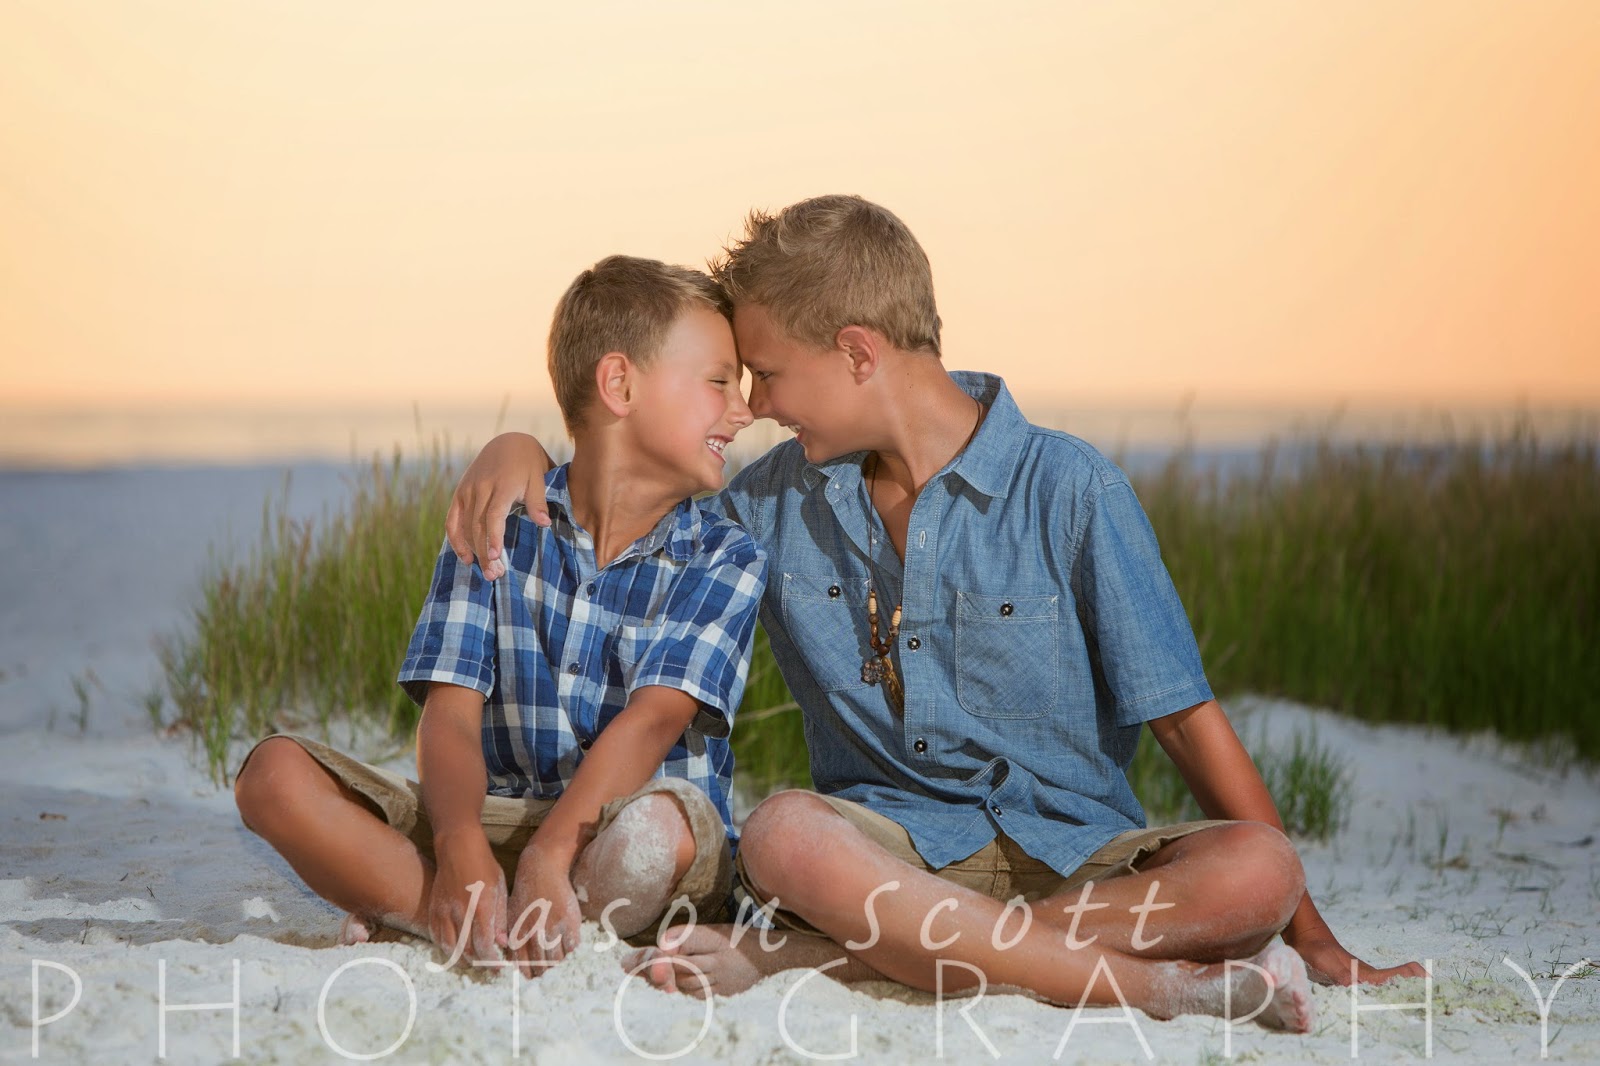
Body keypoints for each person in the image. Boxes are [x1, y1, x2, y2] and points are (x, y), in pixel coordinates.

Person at [443, 196, 1426, 1028]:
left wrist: (1316, 934)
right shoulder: (769, 505)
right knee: (785, 832)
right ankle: (1154, 989)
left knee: (1258, 868)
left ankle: (820, 960)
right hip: (885, 858)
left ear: (858, 352)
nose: (758, 406)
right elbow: (624, 503)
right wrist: (519, 449)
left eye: (771, 374)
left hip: (1082, 862)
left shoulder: (1070, 488)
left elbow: (1182, 717)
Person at [233, 255, 767, 974]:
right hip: (501, 820)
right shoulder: (498, 520)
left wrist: (552, 852)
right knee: (272, 776)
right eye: (719, 382)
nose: (743, 408)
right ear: (619, 384)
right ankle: (454, 915)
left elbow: (652, 722)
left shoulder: (725, 555)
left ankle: (493, 916)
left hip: (633, 828)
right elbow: (449, 715)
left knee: (655, 835)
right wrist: (458, 843)